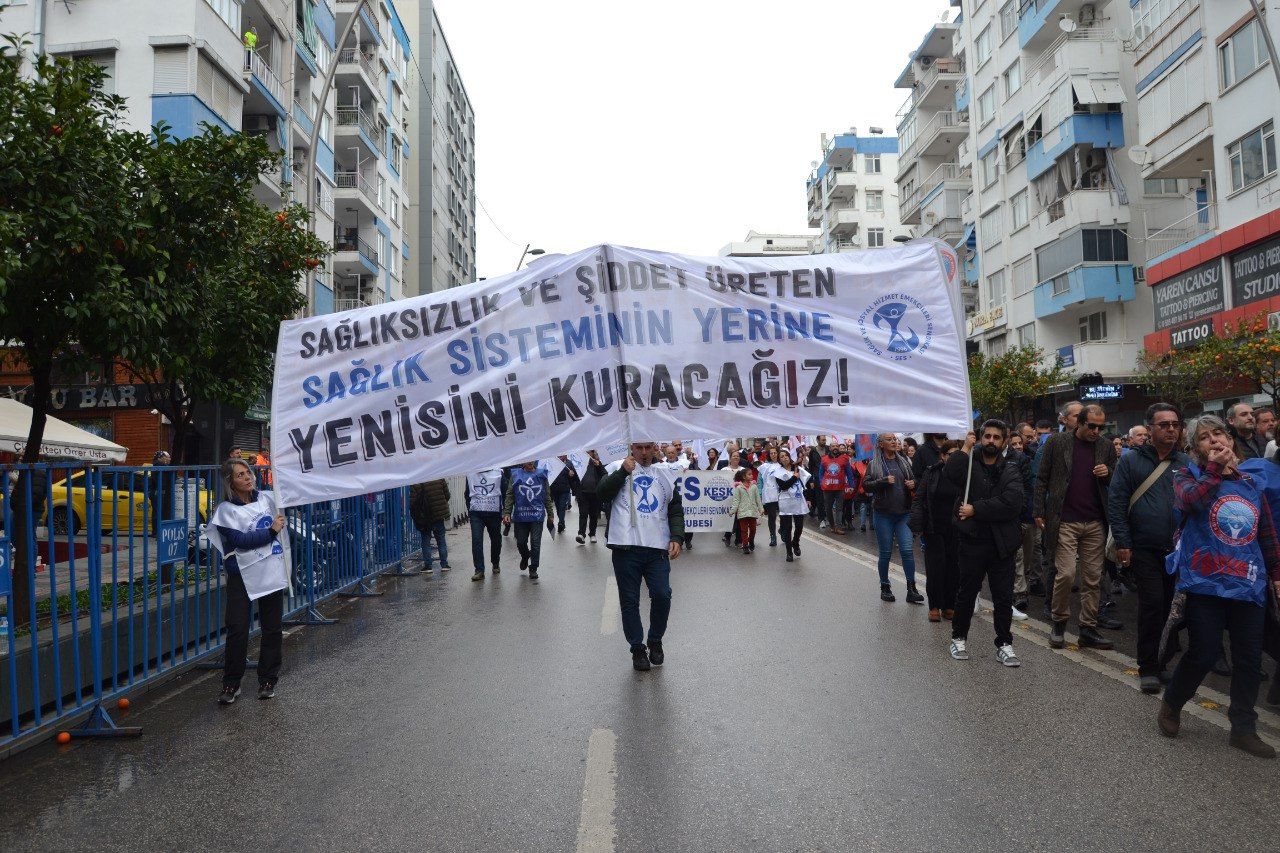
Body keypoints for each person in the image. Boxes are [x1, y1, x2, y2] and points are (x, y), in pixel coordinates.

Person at [1159, 414, 1280, 759]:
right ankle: (1173, 702)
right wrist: (1213, 470)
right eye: (1204, 438)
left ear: (1229, 439)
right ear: (1194, 448)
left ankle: (1243, 727)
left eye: (1218, 434)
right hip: (1204, 583)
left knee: (1248, 657)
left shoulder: (1251, 483)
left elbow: (1266, 532)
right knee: (1204, 651)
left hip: (1247, 584)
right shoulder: (1186, 476)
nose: (1214, 440)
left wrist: (1276, 573)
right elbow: (1190, 503)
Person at [1108, 403, 1188, 693]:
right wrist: (1123, 542)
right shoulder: (1131, 462)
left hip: (1175, 551)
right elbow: (1116, 501)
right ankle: (1148, 667)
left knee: (1171, 608)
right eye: (1164, 424)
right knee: (1153, 604)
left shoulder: (1185, 462)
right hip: (1142, 547)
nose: (1170, 429)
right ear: (1150, 429)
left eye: (1175, 424)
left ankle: (1162, 661)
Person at [1035, 403, 1118, 650]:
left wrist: (1108, 472)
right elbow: (1042, 478)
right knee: (1067, 573)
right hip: (1064, 520)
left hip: (1095, 521)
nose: (1096, 431)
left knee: (1093, 578)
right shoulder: (1057, 442)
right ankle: (1059, 623)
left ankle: (1088, 629)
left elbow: (1116, 478)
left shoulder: (1105, 446)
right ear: (1079, 423)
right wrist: (1038, 510)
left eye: (1100, 427)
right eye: (1091, 426)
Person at [597, 441, 684, 672]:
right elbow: (602, 493)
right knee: (629, 601)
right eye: (639, 448)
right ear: (631, 448)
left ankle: (655, 639)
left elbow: (675, 508)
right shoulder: (617, 466)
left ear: (655, 448)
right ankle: (637, 648)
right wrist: (623, 472)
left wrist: (677, 536)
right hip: (626, 548)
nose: (644, 453)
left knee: (662, 595)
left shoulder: (666, 473)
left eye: (648, 448)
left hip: (657, 548)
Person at [944, 421, 1025, 667]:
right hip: (972, 542)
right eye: (987, 436)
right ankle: (958, 638)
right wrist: (966, 447)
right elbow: (952, 473)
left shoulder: (1011, 468)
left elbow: (1012, 502)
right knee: (967, 593)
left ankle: (1004, 644)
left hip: (1002, 544)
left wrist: (976, 509)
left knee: (1003, 597)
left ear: (1004, 441)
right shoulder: (968, 465)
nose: (991, 441)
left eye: (996, 437)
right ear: (980, 438)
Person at [209, 459, 287, 703]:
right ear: (230, 482)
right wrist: (271, 532)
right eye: (240, 475)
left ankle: (268, 679)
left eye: (248, 473)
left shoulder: (267, 499)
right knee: (238, 629)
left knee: (272, 628)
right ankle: (231, 683)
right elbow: (240, 540)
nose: (247, 477)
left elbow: (290, 502)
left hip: (270, 571)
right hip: (241, 575)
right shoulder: (225, 511)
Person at [863, 433, 922, 604]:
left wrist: (914, 483)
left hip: (903, 514)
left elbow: (913, 480)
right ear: (881, 444)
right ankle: (885, 587)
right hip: (883, 515)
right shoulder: (874, 464)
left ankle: (911, 589)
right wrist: (882, 481)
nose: (894, 442)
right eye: (890, 440)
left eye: (895, 439)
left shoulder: (904, 461)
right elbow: (866, 486)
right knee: (886, 553)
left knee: (907, 551)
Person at [910, 439, 962, 621]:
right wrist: (917, 524)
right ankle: (935, 606)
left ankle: (950, 604)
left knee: (953, 568)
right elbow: (919, 498)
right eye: (950, 455)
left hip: (956, 529)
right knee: (935, 568)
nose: (953, 458)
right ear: (942, 456)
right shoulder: (931, 473)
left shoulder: (965, 475)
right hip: (934, 528)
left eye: (957, 455)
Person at [503, 462, 555, 579]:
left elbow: (546, 495)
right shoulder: (516, 474)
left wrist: (550, 513)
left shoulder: (541, 475)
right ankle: (525, 556)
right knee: (520, 542)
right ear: (524, 461)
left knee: (535, 543)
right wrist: (507, 512)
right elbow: (510, 494)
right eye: (528, 460)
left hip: (537, 515)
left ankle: (533, 568)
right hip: (521, 515)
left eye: (532, 460)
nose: (530, 462)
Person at [466, 467, 507, 581]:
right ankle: (479, 570)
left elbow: (505, 491)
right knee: (477, 540)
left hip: (494, 513)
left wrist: (505, 511)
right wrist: (470, 509)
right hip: (476, 514)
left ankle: (495, 562)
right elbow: (467, 493)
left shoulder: (498, 473)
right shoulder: (471, 474)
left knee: (496, 539)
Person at [775, 449, 811, 562]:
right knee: (787, 527)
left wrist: (808, 499)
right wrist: (794, 477)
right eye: (781, 456)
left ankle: (795, 542)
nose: (784, 458)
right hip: (785, 501)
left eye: (786, 455)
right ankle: (789, 552)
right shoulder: (778, 472)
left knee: (799, 526)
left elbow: (805, 485)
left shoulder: (798, 469)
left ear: (789, 457)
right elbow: (784, 486)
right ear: (779, 460)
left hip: (798, 501)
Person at [409, 479, 452, 574]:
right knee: (441, 540)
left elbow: (412, 502)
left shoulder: (417, 481)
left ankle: (428, 566)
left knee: (425, 541)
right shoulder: (439, 478)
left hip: (425, 517)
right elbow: (447, 495)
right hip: (439, 515)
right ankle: (444, 565)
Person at [729, 467, 764, 555]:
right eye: (749, 474)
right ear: (744, 477)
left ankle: (751, 540)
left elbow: (758, 499)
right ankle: (745, 546)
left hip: (752, 512)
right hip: (742, 512)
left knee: (753, 529)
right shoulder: (739, 488)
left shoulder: (754, 487)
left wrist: (761, 508)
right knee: (744, 531)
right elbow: (736, 500)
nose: (752, 476)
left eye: (752, 474)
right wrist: (733, 510)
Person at [576, 451, 606, 545]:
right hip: (583, 493)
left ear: (593, 453)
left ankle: (592, 534)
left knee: (593, 515)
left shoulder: (598, 462)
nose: (588, 453)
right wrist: (571, 474)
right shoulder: (580, 463)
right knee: (583, 513)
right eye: (586, 452)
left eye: (590, 452)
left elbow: (605, 474)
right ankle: (581, 534)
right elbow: (574, 476)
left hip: (595, 493)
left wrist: (599, 466)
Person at [819, 442, 850, 535]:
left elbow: (849, 473)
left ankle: (839, 527)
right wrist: (821, 483)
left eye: (837, 446)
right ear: (830, 448)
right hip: (827, 488)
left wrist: (851, 485)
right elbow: (820, 473)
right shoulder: (824, 459)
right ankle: (832, 525)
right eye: (833, 446)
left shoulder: (845, 458)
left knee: (839, 508)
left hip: (840, 487)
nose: (835, 447)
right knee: (828, 508)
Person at [757, 449, 783, 547]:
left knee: (784, 516)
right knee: (772, 517)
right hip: (769, 495)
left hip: (782, 495)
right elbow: (760, 481)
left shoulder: (782, 465)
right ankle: (773, 537)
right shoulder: (764, 467)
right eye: (771, 453)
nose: (773, 455)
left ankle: (783, 531)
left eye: (775, 453)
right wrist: (759, 494)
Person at [549, 456, 579, 534]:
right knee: (558, 508)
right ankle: (562, 522)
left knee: (562, 507)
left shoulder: (569, 463)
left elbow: (574, 476)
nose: (562, 456)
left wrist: (572, 474)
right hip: (554, 489)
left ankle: (561, 523)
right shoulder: (553, 462)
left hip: (564, 489)